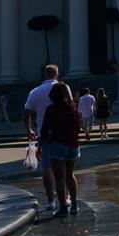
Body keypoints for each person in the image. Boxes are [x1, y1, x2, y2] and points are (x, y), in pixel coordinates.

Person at [38, 82, 82, 218]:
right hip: (73, 144)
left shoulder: (51, 109)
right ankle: (74, 204)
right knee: (70, 175)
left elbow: (45, 129)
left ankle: (63, 207)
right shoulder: (72, 108)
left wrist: (40, 146)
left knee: (59, 178)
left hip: (57, 144)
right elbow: (78, 126)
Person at [24, 64, 64, 209]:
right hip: (62, 133)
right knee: (62, 167)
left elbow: (26, 114)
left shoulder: (34, 92)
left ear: (44, 75)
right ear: (56, 74)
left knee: (47, 168)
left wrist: (29, 130)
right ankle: (64, 199)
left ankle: (51, 201)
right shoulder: (62, 88)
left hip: (44, 134)